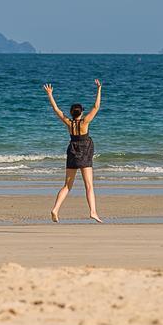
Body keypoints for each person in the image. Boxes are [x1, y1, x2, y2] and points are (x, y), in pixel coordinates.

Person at [43, 79, 103, 223]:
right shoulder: (85, 122)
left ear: (71, 113)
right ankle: (93, 212)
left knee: (67, 185)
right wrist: (99, 89)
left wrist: (50, 94)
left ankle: (56, 209)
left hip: (72, 151)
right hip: (85, 152)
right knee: (89, 185)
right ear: (81, 112)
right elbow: (96, 106)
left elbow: (56, 110)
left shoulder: (69, 122)